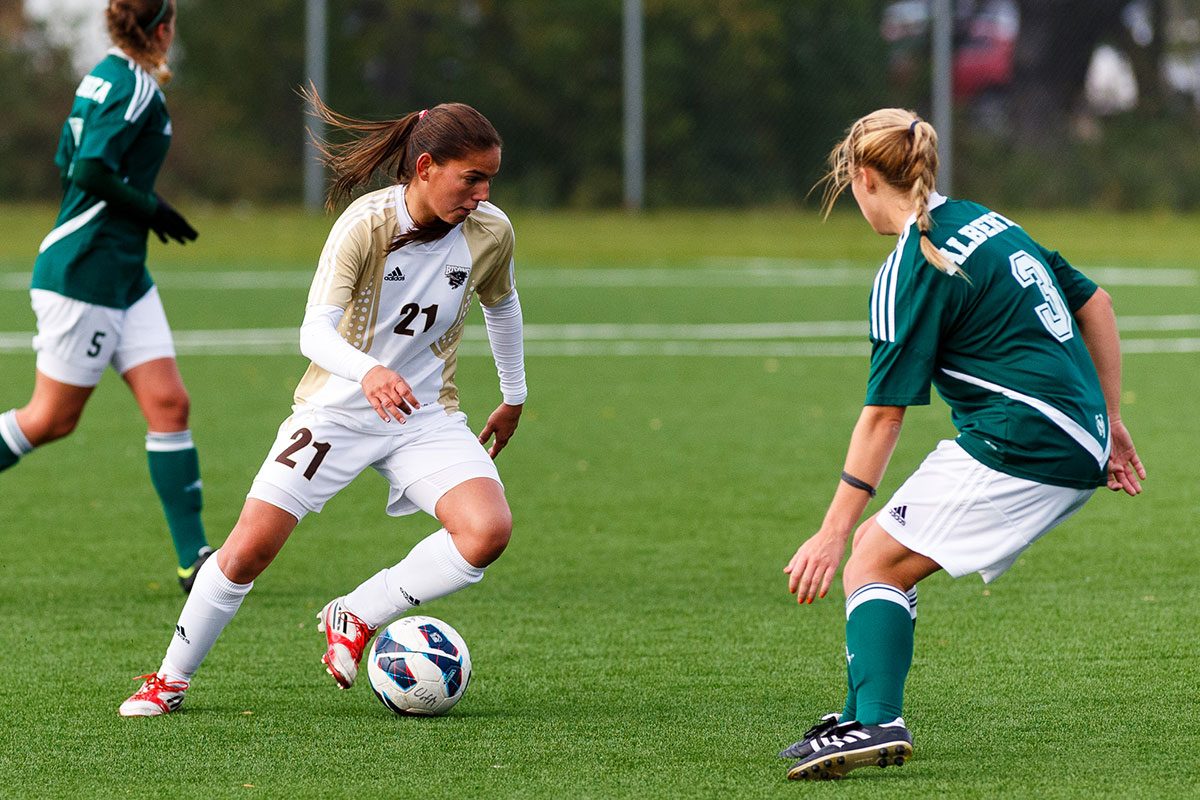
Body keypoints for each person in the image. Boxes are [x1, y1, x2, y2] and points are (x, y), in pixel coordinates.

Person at [118, 93, 527, 717]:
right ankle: (169, 679)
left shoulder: (490, 231)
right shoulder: (367, 224)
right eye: (471, 178)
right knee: (248, 550)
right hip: (335, 412)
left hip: (423, 416)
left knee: (486, 531)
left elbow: (502, 304)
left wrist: (513, 395)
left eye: (490, 179)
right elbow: (313, 332)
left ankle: (357, 613)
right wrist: (369, 372)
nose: (483, 194)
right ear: (425, 168)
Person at [778, 109, 1146, 780]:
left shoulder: (911, 268)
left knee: (869, 559)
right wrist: (1112, 421)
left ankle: (879, 722)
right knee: (880, 549)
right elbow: (1098, 303)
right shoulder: (987, 220)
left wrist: (831, 531)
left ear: (863, 178)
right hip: (1070, 433)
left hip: (1026, 441)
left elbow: (883, 417)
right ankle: (861, 712)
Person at [0, 0, 211, 592]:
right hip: (86, 273)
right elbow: (89, 169)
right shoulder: (134, 86)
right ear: (162, 29)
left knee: (169, 404)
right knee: (49, 419)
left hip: (124, 274)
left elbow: (64, 157)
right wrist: (151, 209)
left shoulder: (105, 74)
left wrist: (140, 213)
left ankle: (195, 560)